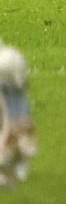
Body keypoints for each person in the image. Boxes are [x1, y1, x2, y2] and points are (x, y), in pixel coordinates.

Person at [0, 42, 33, 187]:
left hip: (7, 65)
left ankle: (9, 157)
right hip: (11, 60)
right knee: (17, 118)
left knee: (14, 120)